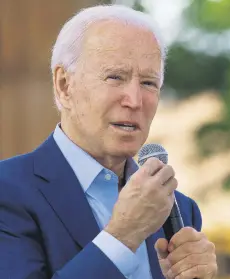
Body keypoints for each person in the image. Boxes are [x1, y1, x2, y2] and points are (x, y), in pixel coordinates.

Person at [0, 4, 218, 279]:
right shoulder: (8, 191)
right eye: (115, 77)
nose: (134, 101)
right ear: (64, 85)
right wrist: (122, 237)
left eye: (149, 83)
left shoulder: (180, 209)